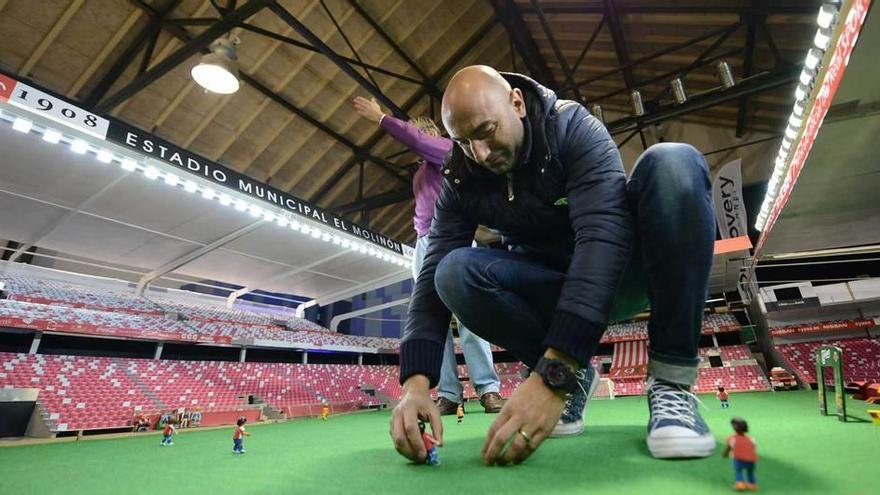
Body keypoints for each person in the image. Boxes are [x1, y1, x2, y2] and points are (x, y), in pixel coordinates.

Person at [391, 66, 716, 466]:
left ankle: (671, 383)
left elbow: (601, 240)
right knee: (452, 273)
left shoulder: (575, 129)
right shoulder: (462, 175)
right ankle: (576, 385)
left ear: (517, 103)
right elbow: (430, 277)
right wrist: (416, 382)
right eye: (463, 142)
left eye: (486, 131)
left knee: (673, 163)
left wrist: (554, 371)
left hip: (622, 274)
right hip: (548, 286)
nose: (481, 154)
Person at [353, 96, 503, 415]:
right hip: (424, 243)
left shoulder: (445, 150)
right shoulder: (421, 171)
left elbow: (417, 139)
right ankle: (448, 392)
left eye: (419, 130)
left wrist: (382, 118)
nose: (415, 134)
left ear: (433, 131)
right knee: (431, 316)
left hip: (455, 238)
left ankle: (488, 388)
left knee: (469, 315)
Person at [722, 417, 758, 491]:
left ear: (735, 428)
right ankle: (752, 485)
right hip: (752, 460)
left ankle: (740, 484)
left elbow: (728, 449)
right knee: (750, 472)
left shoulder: (731, 438)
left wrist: (724, 454)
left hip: (739, 460)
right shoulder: (751, 439)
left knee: (738, 471)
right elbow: (752, 448)